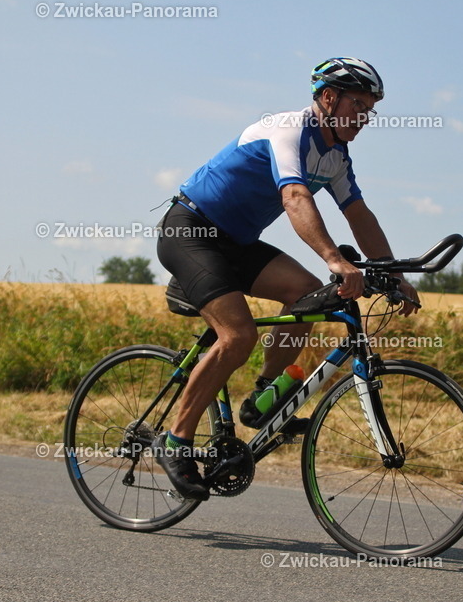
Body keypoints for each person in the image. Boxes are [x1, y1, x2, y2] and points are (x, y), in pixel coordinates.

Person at [155, 57, 420, 500]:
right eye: (358, 105)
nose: (364, 117)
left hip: (236, 244)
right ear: (328, 98)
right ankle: (176, 441)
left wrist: (394, 274)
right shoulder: (288, 130)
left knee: (307, 294)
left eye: (370, 110)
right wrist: (334, 259)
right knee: (238, 336)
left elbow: (358, 213)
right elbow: (294, 196)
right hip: (191, 231)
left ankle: (264, 396)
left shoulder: (336, 156)